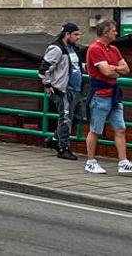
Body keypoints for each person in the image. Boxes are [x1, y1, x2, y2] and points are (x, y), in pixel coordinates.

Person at [83, 19, 131, 174]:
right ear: (105, 32)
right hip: (100, 95)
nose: (116, 33)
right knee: (96, 130)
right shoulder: (95, 49)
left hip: (114, 95)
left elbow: (126, 69)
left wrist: (114, 68)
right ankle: (90, 161)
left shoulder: (114, 49)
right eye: (114, 30)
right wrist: (116, 70)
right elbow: (106, 72)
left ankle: (123, 162)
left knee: (120, 128)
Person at [40, 22, 84, 160]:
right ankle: (63, 148)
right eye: (76, 34)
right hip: (62, 89)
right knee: (65, 119)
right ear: (67, 34)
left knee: (78, 116)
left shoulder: (74, 49)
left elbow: (76, 66)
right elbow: (44, 68)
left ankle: (54, 139)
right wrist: (47, 84)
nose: (78, 37)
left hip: (75, 89)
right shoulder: (57, 49)